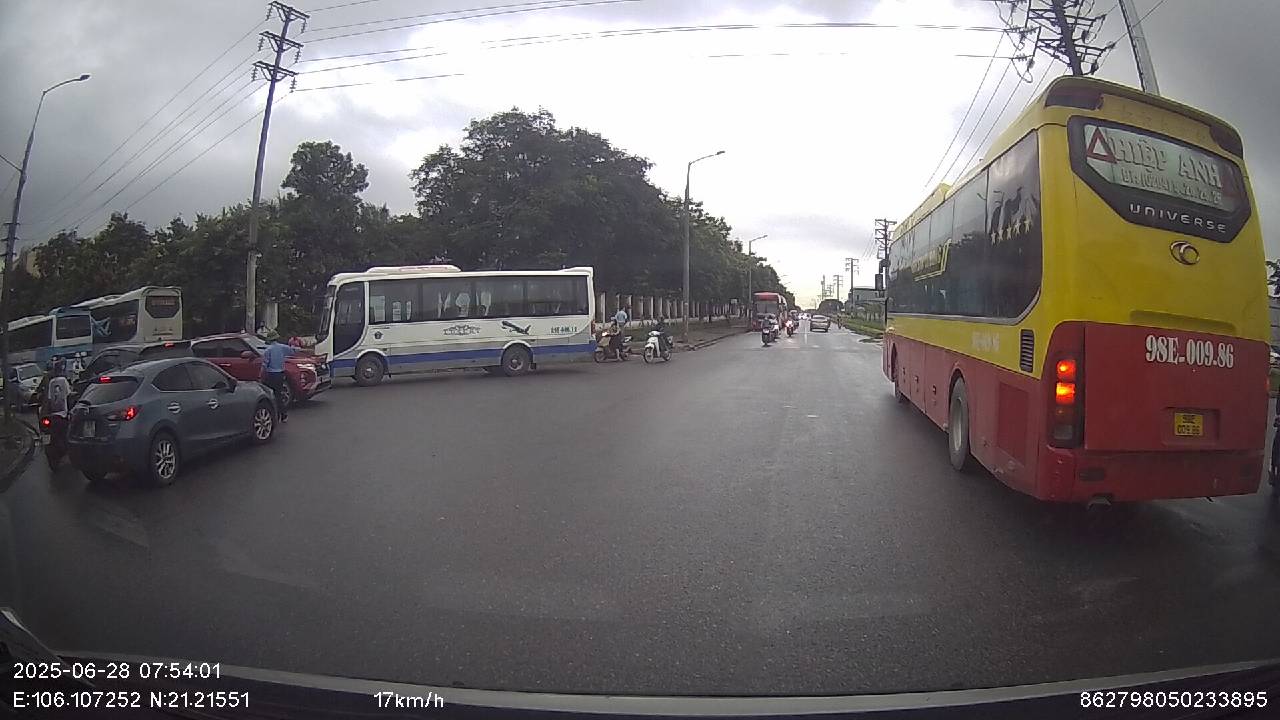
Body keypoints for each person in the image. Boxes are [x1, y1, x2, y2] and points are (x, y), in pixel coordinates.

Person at [258, 329, 298, 423]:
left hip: (271, 375)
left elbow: (264, 365)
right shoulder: (282, 347)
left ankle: (274, 415)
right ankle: (283, 414)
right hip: (280, 374)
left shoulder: (268, 350)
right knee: (278, 395)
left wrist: (260, 376)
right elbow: (293, 351)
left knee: (270, 395)